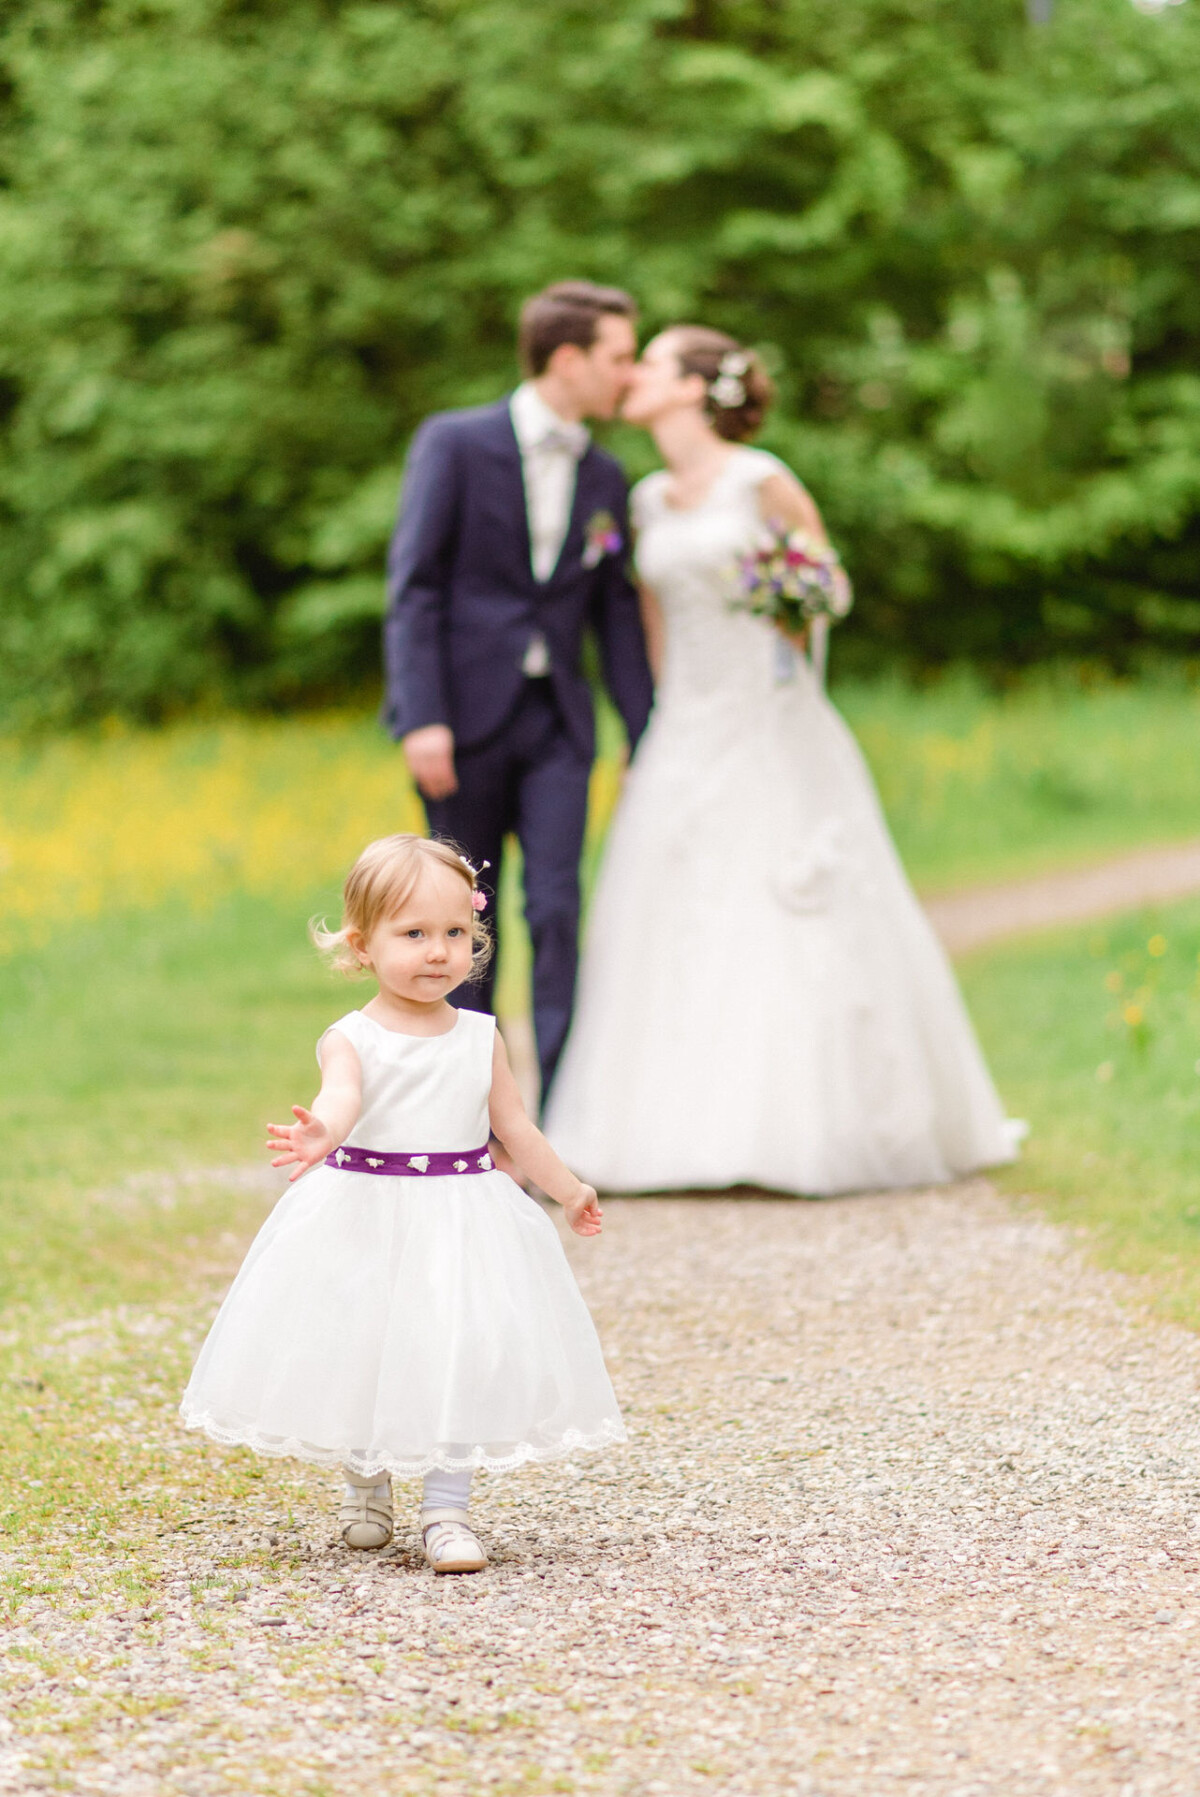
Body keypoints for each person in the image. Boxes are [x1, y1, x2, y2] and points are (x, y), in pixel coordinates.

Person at [545, 326, 1023, 1196]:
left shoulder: (759, 478)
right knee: (672, 908)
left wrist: (793, 592)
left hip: (770, 716)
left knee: (780, 897)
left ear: (694, 388)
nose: (636, 376)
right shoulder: (648, 498)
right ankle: (668, 1127)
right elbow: (653, 626)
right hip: (688, 724)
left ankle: (798, 1125)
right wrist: (648, 729)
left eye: (651, 364)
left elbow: (828, 584)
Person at [180, 835, 624, 1572]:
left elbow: (514, 1126)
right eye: (414, 933)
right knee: (365, 1342)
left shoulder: (481, 1036)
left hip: (460, 1216)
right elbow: (343, 1096)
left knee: (460, 1346)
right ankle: (366, 1484)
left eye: (454, 933)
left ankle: (448, 1509)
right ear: (362, 944)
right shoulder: (351, 1037)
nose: (438, 951)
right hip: (368, 1209)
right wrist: (323, 1130)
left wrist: (568, 1186)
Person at [384, 281, 654, 1105]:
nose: (629, 373)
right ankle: (470, 1112)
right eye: (618, 357)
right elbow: (415, 585)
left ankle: (557, 1110)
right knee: (461, 922)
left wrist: (647, 737)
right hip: (460, 723)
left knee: (557, 907)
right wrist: (421, 713)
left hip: (559, 726)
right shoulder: (455, 443)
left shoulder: (605, 476)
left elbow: (614, 617)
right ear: (568, 360)